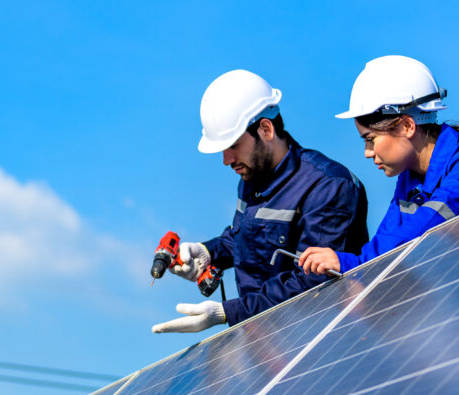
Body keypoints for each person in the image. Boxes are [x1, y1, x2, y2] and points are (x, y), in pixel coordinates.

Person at [152, 69, 368, 334]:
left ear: (265, 129)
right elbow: (246, 238)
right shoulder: (252, 176)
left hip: (317, 342)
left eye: (232, 145)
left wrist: (229, 312)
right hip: (265, 344)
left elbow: (314, 284)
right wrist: (209, 252)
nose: (226, 160)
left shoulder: (328, 186)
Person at [299, 56, 459, 276]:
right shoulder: (411, 177)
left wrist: (349, 264)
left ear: (407, 125)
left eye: (371, 139)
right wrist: (356, 266)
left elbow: (429, 229)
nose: (367, 153)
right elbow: (388, 239)